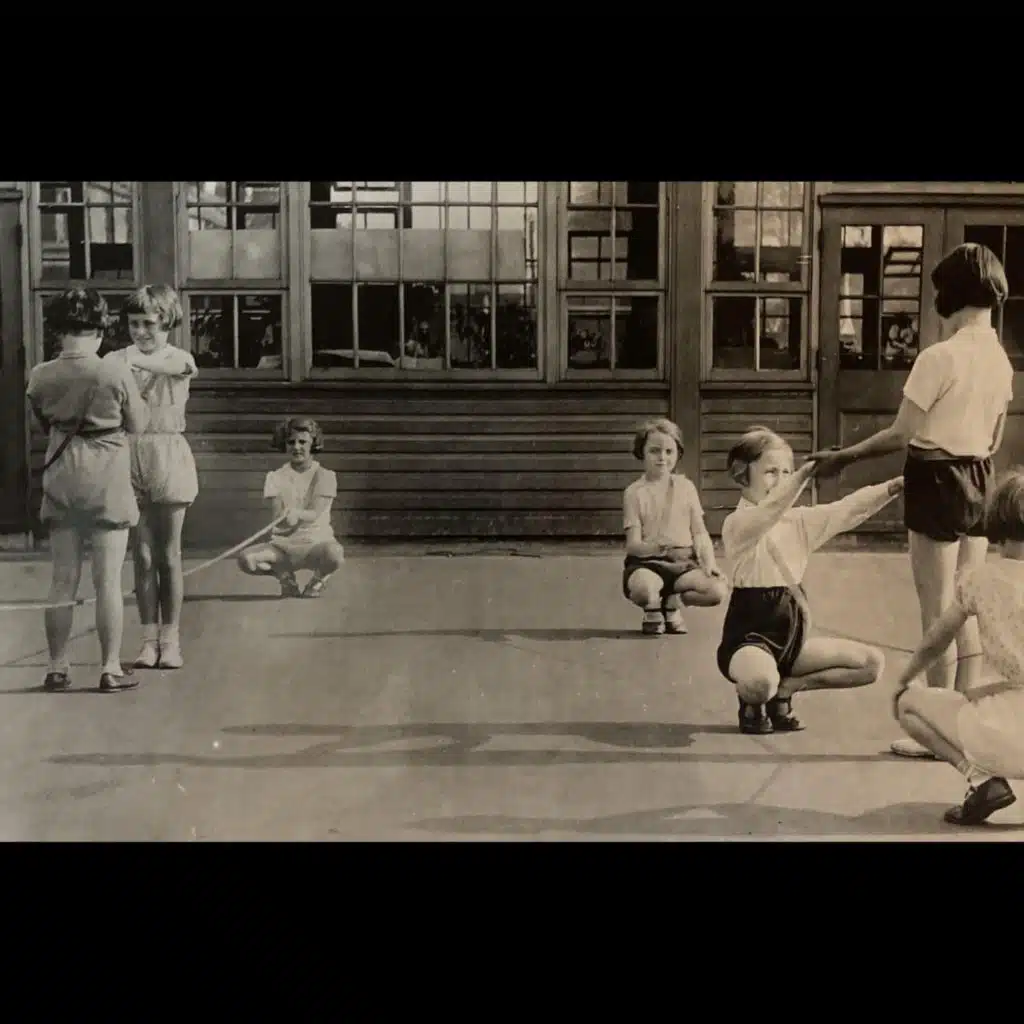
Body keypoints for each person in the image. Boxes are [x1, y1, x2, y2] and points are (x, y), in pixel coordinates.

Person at [811, 243, 1013, 758]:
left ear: (948, 295)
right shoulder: (1000, 359)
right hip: (979, 477)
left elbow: (902, 434)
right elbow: (994, 438)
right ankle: (967, 723)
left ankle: (940, 730)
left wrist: (844, 457)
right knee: (970, 606)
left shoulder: (939, 357)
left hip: (936, 476)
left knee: (938, 611)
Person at [718, 426, 899, 734]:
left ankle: (786, 689)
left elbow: (847, 510)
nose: (780, 480)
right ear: (741, 474)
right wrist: (806, 473)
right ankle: (753, 700)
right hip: (749, 643)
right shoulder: (737, 523)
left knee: (871, 664)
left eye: (786, 472)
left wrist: (894, 487)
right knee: (761, 681)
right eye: (770, 472)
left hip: (791, 641)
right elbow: (770, 511)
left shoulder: (798, 522)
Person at [25, 286, 148, 693]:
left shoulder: (40, 375)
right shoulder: (114, 371)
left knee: (62, 579)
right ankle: (110, 667)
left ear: (57, 329)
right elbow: (138, 424)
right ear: (101, 327)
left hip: (62, 477)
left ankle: (56, 667)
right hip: (106, 479)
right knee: (107, 581)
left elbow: (43, 423)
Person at [893, 469, 1024, 826]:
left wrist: (904, 680)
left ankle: (980, 780)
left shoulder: (979, 578)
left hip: (1003, 739)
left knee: (908, 705)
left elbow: (937, 639)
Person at [105, 285, 198, 670]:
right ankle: (148, 641)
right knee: (141, 555)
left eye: (149, 323)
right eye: (133, 324)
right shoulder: (116, 358)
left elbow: (178, 369)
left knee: (168, 554)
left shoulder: (179, 357)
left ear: (167, 322)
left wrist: (131, 364)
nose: (140, 331)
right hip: (128, 453)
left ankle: (170, 640)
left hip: (167, 452)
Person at [622, 418, 727, 635]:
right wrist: (656, 547)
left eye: (669, 451)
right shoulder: (634, 492)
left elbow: (699, 532)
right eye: (654, 451)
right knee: (643, 589)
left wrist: (710, 562)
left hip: (683, 563)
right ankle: (652, 606)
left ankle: (673, 602)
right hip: (648, 563)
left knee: (717, 590)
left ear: (678, 453)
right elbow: (633, 545)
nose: (662, 457)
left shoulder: (686, 487)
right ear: (641, 452)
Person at [237, 417, 345, 597]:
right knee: (245, 560)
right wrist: (284, 519)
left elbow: (315, 513)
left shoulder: (325, 476)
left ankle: (318, 580)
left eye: (302, 442)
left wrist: (297, 514)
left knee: (335, 554)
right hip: (284, 548)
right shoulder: (275, 476)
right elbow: (276, 519)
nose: (296, 447)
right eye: (291, 442)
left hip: (316, 545)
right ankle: (285, 576)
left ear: (313, 444)